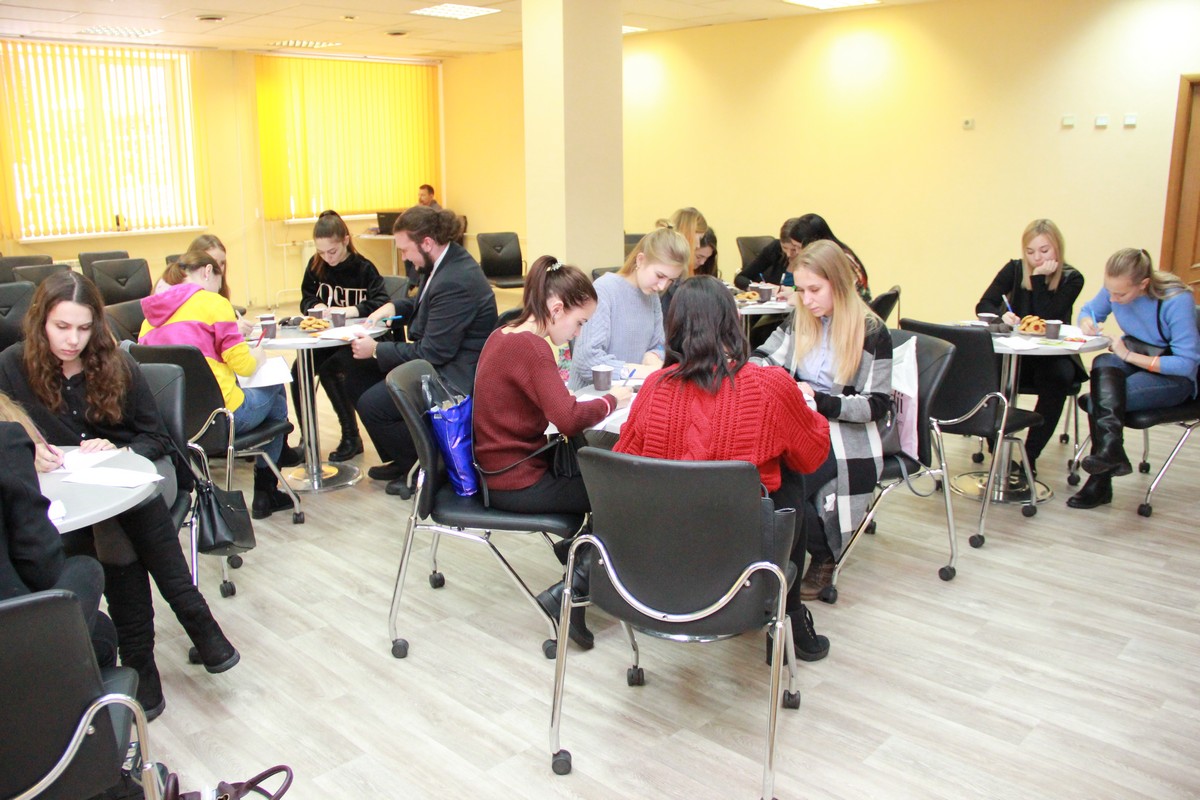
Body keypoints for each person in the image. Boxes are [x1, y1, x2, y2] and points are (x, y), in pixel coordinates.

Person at [0, 271, 238, 720]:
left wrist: (118, 449)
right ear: (40, 322)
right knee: (116, 532)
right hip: (75, 486)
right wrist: (29, 449)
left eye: (84, 328)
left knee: (120, 520)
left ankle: (141, 665)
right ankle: (199, 628)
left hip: (147, 473)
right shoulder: (13, 365)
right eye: (61, 327)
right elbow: (9, 434)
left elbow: (160, 439)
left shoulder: (114, 362)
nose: (73, 340)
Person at [615, 275, 833, 661]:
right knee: (790, 476)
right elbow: (813, 454)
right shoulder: (769, 386)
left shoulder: (652, 389)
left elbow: (624, 466)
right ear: (733, 323)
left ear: (673, 327)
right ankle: (791, 616)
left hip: (663, 556)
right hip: (745, 555)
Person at [473, 257, 635, 649]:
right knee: (620, 497)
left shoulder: (504, 334)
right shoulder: (531, 348)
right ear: (557, 309)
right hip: (516, 481)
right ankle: (568, 594)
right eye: (579, 323)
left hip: (500, 470)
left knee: (604, 480)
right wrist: (613, 399)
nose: (578, 334)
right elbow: (567, 418)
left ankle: (579, 562)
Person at [752, 240, 892, 601]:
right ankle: (772, 559)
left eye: (814, 290)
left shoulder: (872, 332)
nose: (807, 299)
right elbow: (765, 356)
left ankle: (821, 554)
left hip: (845, 431)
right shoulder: (801, 319)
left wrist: (820, 401)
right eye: (800, 290)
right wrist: (750, 371)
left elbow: (877, 404)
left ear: (839, 284)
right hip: (800, 421)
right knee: (761, 471)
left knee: (792, 482)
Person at [345, 206, 497, 497]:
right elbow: (424, 307)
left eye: (405, 250)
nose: (404, 258)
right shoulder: (443, 262)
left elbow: (430, 354)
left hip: (454, 376)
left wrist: (376, 349)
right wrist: (391, 307)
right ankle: (402, 457)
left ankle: (425, 468)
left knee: (373, 405)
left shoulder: (455, 279)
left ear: (427, 242)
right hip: (444, 360)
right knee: (355, 377)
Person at [139, 249, 297, 518]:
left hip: (177, 425)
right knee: (275, 390)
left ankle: (267, 485)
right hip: (226, 416)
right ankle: (266, 490)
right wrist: (258, 355)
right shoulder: (214, 303)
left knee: (271, 399)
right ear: (207, 272)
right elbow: (244, 366)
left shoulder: (148, 321)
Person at [1067, 248, 1200, 509]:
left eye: (1121, 295)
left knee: (1099, 400)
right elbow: (1089, 310)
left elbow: (1185, 364)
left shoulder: (1176, 300)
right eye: (1110, 292)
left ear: (1143, 284)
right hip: (1135, 360)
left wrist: (1127, 355)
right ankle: (1111, 455)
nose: (1113, 299)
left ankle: (1100, 480)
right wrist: (1087, 322)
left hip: (1174, 377)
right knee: (1103, 361)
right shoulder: (1115, 289)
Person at [0, 412, 117, 668]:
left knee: (101, 631)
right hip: (11, 640)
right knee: (87, 569)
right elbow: (42, 568)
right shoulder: (6, 440)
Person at [976, 219, 1086, 475]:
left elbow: (1047, 315)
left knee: (1058, 378)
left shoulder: (1072, 278)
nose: (1037, 258)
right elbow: (983, 304)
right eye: (1030, 251)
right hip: (1014, 354)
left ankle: (1030, 455)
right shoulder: (1014, 269)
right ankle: (998, 450)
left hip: (1051, 356)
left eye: (1044, 251)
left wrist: (1038, 280)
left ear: (1057, 248)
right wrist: (1001, 316)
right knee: (987, 375)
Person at [296, 210, 390, 462]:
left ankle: (351, 436)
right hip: (327, 339)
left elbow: (382, 302)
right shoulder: (316, 266)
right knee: (299, 370)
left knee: (330, 370)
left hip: (355, 340)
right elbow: (306, 298)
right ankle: (308, 438)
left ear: (346, 241)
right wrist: (315, 307)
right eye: (321, 252)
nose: (327, 258)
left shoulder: (364, 268)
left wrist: (352, 310)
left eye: (332, 251)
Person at [568, 227, 689, 390]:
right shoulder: (604, 290)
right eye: (660, 275)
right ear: (640, 260)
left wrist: (654, 356)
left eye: (670, 280)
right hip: (592, 397)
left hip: (628, 395)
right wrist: (641, 371)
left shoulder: (652, 296)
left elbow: (659, 345)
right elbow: (587, 361)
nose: (662, 286)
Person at [156, 235, 252, 337]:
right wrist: (231, 331)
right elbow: (196, 335)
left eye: (222, 263)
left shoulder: (209, 288)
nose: (219, 269)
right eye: (213, 262)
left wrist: (231, 328)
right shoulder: (175, 290)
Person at [790, 213, 871, 302]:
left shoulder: (836, 260)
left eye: (798, 247)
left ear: (811, 242)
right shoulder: (837, 252)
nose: (797, 252)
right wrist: (793, 289)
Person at [656, 207, 708, 317]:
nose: (698, 245)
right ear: (690, 233)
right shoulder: (675, 267)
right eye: (699, 238)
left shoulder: (662, 253)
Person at [735, 217, 801, 290]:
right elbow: (741, 278)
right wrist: (755, 287)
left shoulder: (808, 258)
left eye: (794, 249)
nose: (788, 254)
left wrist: (791, 290)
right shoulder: (776, 248)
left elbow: (805, 289)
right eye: (784, 248)